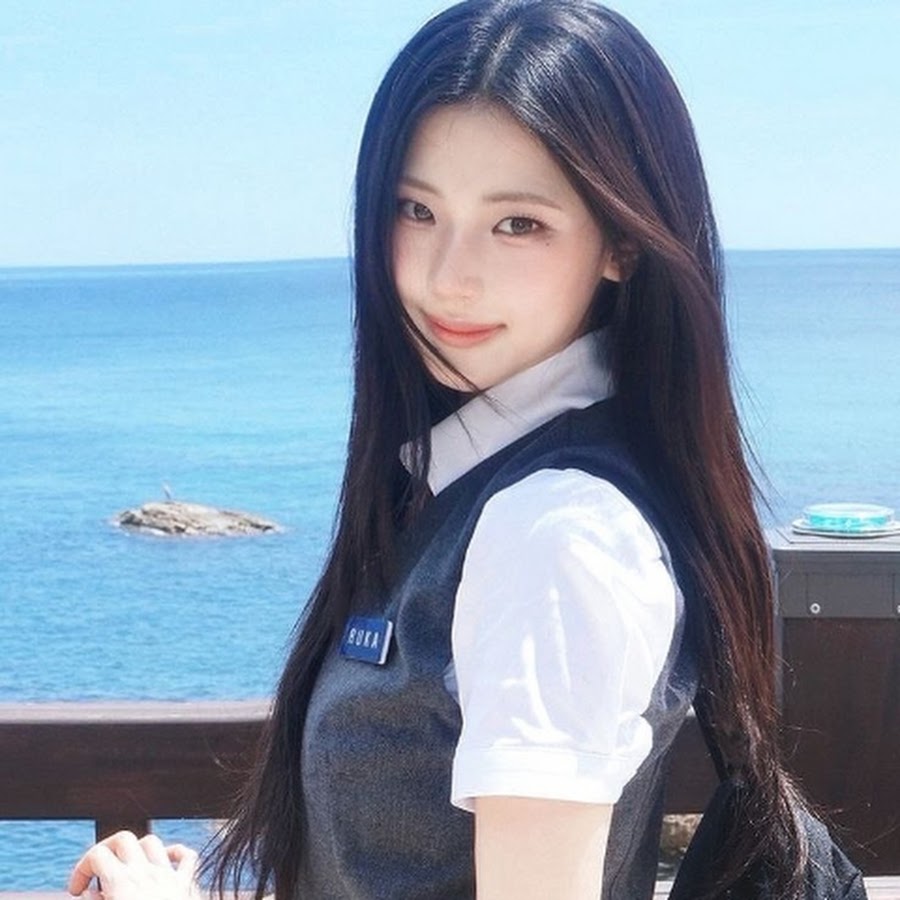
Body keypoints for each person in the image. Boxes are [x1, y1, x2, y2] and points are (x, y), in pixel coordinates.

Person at [69, 1, 811, 897]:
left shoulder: (556, 535)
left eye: (518, 223)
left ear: (621, 241)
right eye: (416, 209)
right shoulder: (488, 478)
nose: (448, 275)